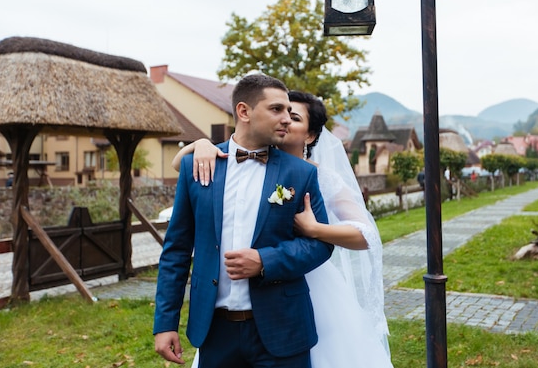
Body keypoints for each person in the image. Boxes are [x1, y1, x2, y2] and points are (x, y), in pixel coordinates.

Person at [174, 91, 393, 368]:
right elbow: (184, 170)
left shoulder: (319, 176)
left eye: (294, 116)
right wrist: (201, 144)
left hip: (309, 287)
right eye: (280, 112)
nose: (285, 120)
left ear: (311, 135)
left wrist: (315, 229)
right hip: (237, 304)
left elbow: (367, 235)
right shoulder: (246, 161)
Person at [153, 74, 334, 368]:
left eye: (289, 111)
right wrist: (165, 322)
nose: (287, 118)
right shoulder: (195, 168)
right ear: (244, 111)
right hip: (215, 332)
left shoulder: (300, 174)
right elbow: (176, 250)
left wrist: (265, 260)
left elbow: (320, 245)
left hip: (283, 329)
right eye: (277, 109)